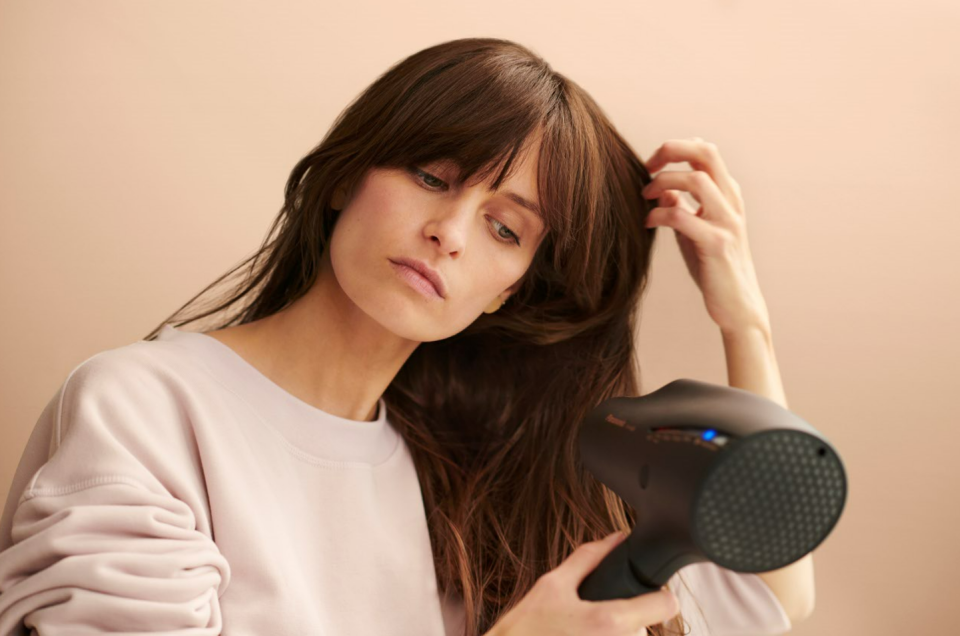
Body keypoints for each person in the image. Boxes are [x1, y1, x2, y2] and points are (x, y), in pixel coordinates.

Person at [0, 38, 794, 636]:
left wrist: (744, 319)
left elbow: (766, 595)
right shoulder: (143, 407)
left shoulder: (457, 486)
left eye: (505, 229)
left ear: (507, 295)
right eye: (432, 177)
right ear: (348, 175)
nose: (449, 232)